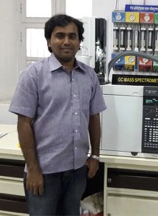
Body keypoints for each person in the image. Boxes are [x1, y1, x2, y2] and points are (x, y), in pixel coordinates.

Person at [9, 14, 107, 215]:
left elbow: (93, 117)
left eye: (72, 36)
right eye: (59, 36)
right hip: (44, 172)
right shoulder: (33, 75)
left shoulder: (89, 76)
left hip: (77, 171)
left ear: (80, 42)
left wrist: (95, 155)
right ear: (49, 41)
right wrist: (33, 169)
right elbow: (24, 124)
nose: (66, 41)